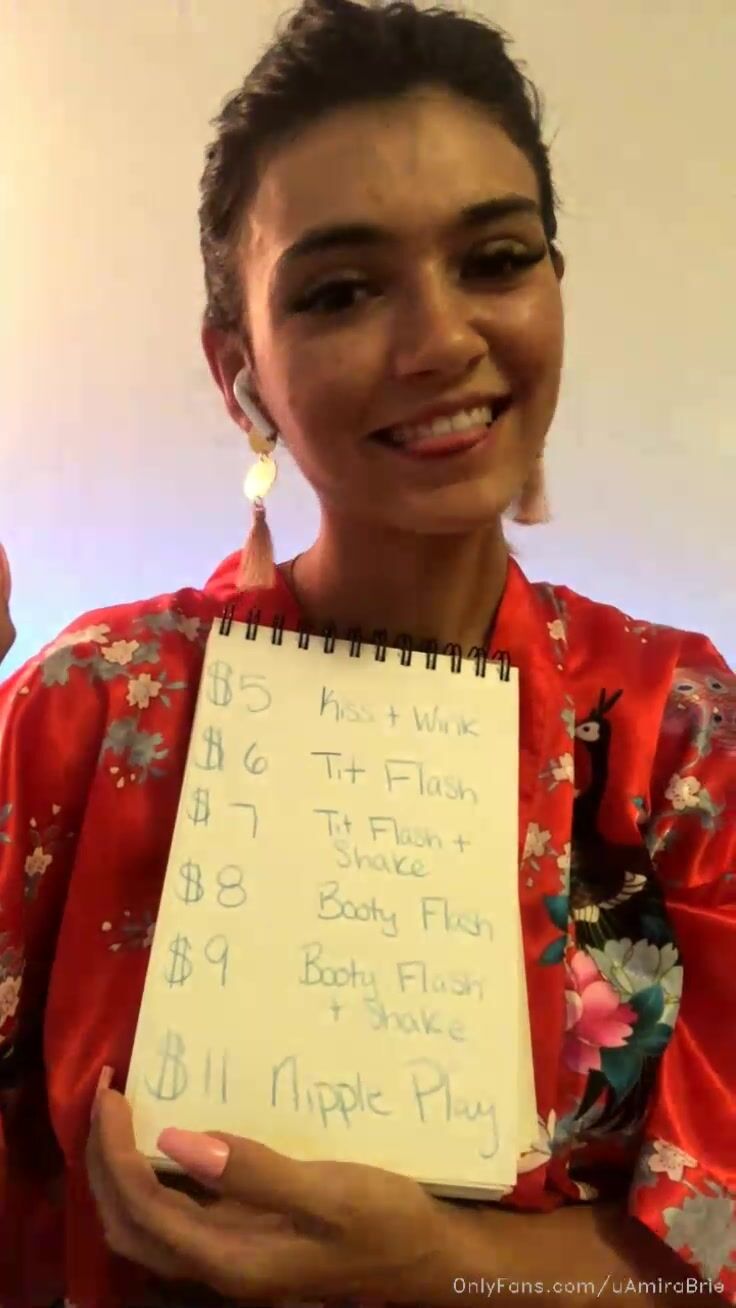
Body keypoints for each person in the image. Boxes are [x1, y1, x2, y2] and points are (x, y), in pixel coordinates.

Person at [0, 0, 734, 1304]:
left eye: (495, 259)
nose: (441, 340)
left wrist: (449, 1270)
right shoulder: (87, 712)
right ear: (240, 372)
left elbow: (715, 1257)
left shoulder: (682, 738)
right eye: (341, 291)